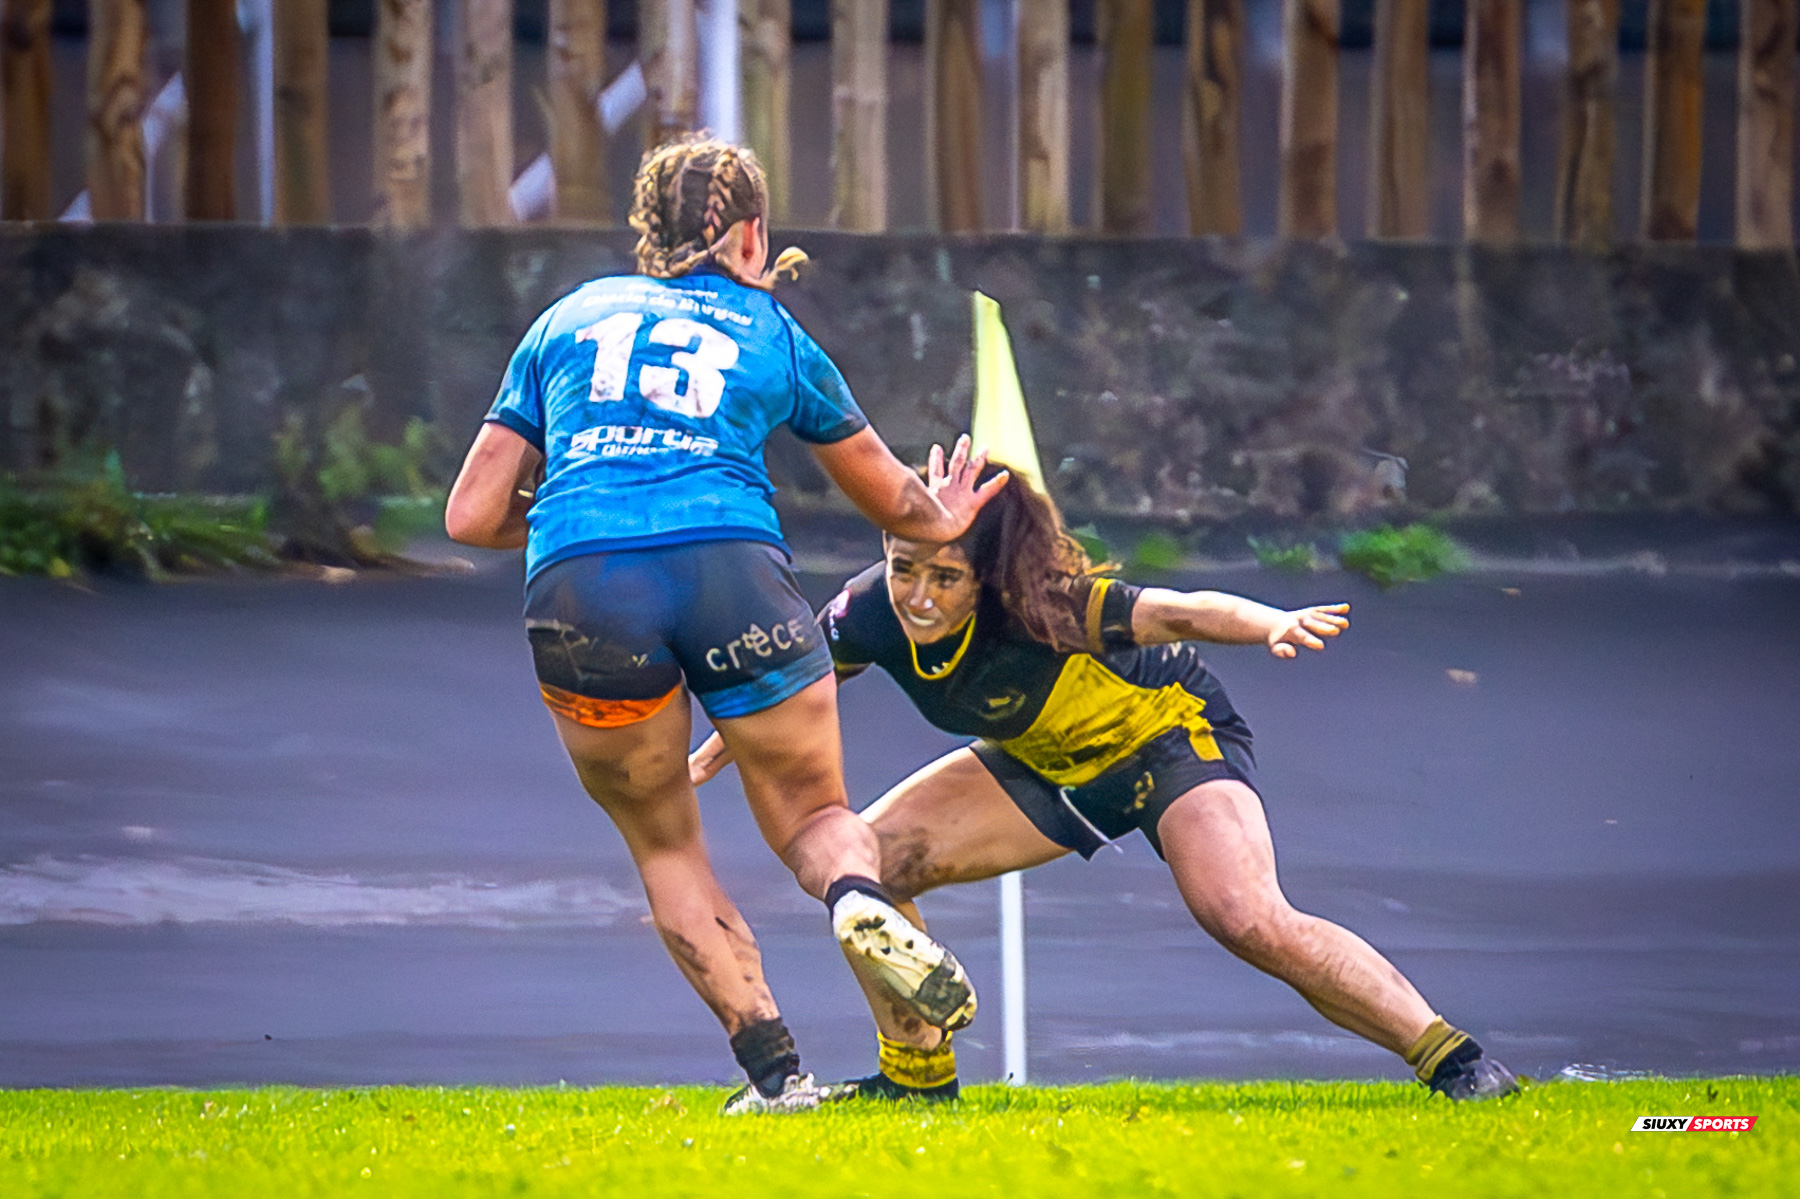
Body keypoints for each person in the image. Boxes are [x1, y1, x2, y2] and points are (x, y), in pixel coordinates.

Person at [444, 135, 1008, 1113]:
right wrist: (943, 514)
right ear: (753, 235)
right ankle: (857, 901)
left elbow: (470, 515)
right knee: (818, 816)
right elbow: (894, 500)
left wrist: (590, 502)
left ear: (646, 232)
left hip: (583, 580)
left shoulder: (567, 319)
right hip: (731, 570)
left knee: (665, 843)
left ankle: (778, 1075)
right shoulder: (772, 331)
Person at [691, 463, 1520, 1103]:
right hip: (1046, 765)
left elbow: (1179, 611)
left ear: (986, 577)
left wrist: (1271, 621)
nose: (918, 595)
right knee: (867, 864)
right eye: (904, 567)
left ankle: (1454, 1059)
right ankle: (917, 1077)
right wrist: (717, 749)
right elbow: (795, 690)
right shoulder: (869, 610)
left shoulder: (1045, 605)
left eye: (944, 577)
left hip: (1166, 740)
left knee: (1246, 916)